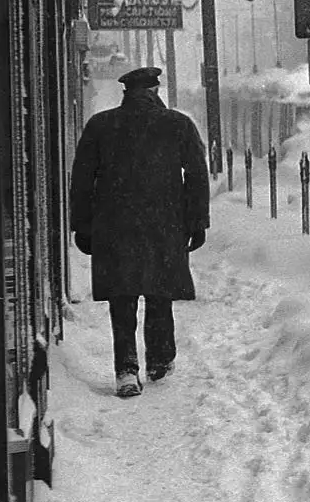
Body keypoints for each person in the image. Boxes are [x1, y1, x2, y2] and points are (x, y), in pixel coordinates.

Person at [68, 64, 211, 396]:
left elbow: (81, 180)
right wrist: (197, 222)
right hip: (164, 225)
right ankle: (159, 360)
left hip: (114, 227)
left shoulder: (100, 126)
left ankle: (126, 370)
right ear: (154, 92)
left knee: (122, 298)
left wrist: (82, 225)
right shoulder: (177, 124)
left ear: (126, 94)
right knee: (159, 293)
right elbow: (197, 175)